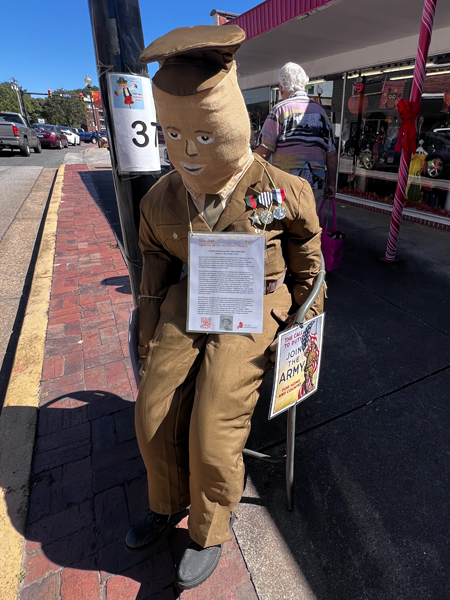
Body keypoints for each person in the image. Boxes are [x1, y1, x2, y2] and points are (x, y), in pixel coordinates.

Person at [125, 25, 324, 591]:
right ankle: (165, 501)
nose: (189, 151)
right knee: (154, 402)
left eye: (205, 136)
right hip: (199, 291)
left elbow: (306, 248)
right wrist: (148, 323)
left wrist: (307, 316)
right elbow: (153, 256)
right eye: (175, 136)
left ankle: (209, 526)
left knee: (216, 413)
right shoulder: (163, 198)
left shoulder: (281, 188)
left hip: (260, 294)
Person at [255, 62, 337, 203]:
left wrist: (251, 181)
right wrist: (331, 184)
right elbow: (332, 154)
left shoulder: (279, 110)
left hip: (285, 187)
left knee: (284, 224)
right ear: (304, 85)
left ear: (281, 88)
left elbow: (263, 152)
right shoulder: (322, 114)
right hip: (313, 187)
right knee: (309, 224)